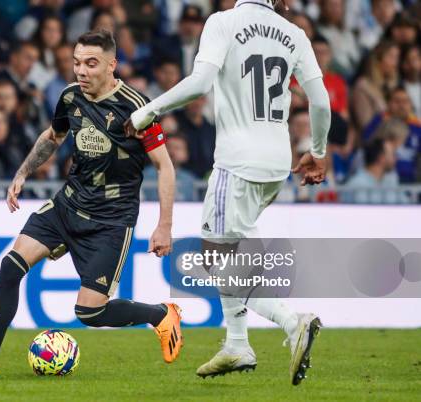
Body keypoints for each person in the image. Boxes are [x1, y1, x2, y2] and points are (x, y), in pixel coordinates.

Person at [0, 30, 182, 377]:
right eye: (76, 63)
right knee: (10, 267)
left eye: (91, 63)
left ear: (112, 65)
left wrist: (164, 226)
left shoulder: (136, 108)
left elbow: (165, 166)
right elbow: (53, 136)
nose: (81, 71)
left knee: (90, 313)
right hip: (67, 205)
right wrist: (23, 173)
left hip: (111, 220)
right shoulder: (71, 97)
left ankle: (160, 315)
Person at [127, 0, 331, 385]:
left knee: (218, 259)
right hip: (276, 163)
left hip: (237, 162)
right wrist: (318, 152)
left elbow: (201, 84)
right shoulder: (295, 34)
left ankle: (293, 323)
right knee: (238, 251)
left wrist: (147, 111)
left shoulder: (223, 22)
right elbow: (320, 101)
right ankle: (237, 344)